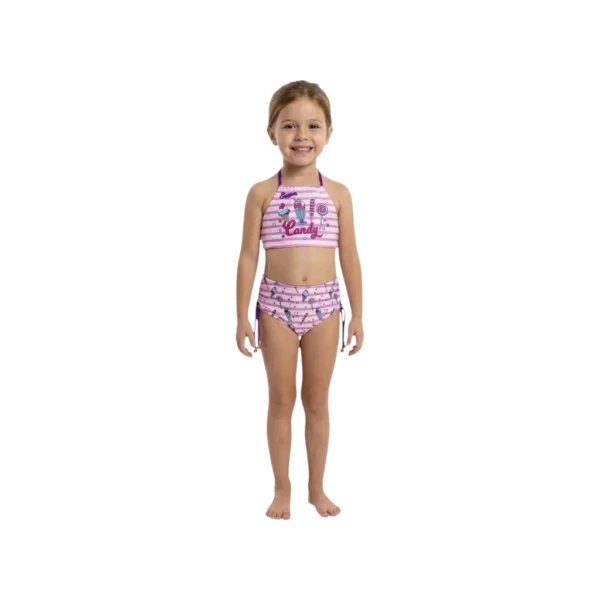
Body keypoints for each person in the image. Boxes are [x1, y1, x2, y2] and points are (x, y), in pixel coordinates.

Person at [235, 80, 364, 519]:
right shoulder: (261, 193)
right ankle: (282, 487)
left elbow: (349, 256)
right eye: (289, 125)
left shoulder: (338, 194)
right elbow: (248, 256)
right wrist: (242, 316)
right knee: (281, 400)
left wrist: (358, 315)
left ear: (329, 132)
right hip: (276, 304)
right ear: (271, 132)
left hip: (325, 306)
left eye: (312, 126)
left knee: (317, 401)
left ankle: (316, 487)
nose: (301, 136)